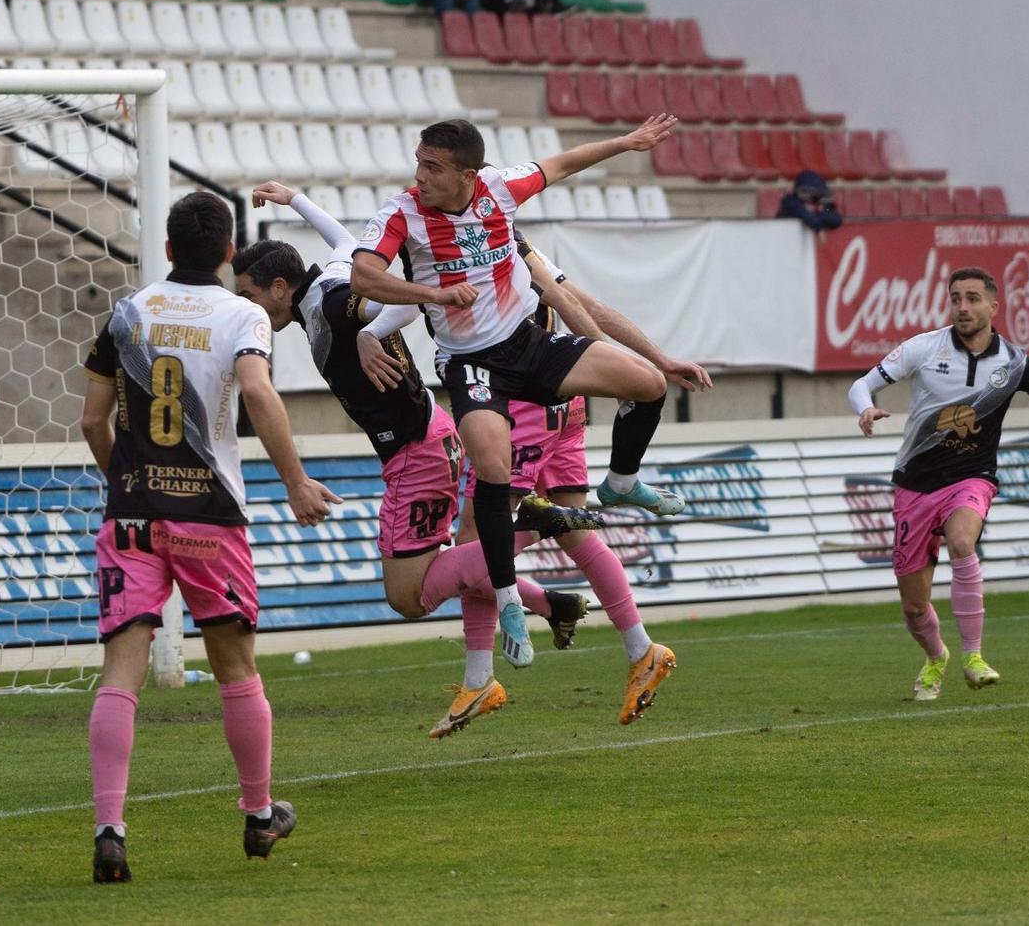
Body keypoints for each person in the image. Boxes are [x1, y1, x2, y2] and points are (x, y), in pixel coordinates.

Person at [234, 184, 606, 738]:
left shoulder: (334, 304)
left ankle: (531, 523)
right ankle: (547, 610)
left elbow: (392, 300)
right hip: (427, 438)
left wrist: (387, 322)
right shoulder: (333, 275)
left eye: (247, 293)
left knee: (408, 596)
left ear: (281, 287)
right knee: (457, 561)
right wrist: (296, 201)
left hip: (417, 451)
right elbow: (341, 238)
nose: (244, 305)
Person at [349, 116, 679, 667]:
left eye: (432, 166)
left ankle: (621, 482)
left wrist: (627, 142)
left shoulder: (501, 187)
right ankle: (506, 598)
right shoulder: (401, 211)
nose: (419, 174)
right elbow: (363, 277)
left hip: (529, 345)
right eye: (418, 162)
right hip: (472, 363)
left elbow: (565, 163)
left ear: (467, 174)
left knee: (649, 383)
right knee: (491, 466)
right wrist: (430, 292)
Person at [80, 192, 339, 884]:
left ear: (167, 249)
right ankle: (258, 815)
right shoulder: (242, 313)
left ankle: (110, 829)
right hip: (208, 516)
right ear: (229, 252)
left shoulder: (129, 311)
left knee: (120, 674)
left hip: (131, 514)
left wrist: (128, 482)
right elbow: (256, 391)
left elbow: (91, 420)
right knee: (235, 666)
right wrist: (294, 481)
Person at [408, 232, 707, 726]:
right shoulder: (523, 249)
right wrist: (651, 361)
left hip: (519, 407)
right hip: (567, 406)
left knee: (477, 540)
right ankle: (641, 650)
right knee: (579, 536)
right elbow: (586, 305)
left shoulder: (478, 251)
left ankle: (480, 679)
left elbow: (568, 309)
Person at [849, 267, 1029, 700]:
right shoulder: (923, 347)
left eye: (972, 298)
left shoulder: (1014, 362)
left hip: (973, 477)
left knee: (962, 543)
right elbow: (863, 384)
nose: (962, 307)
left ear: (993, 306)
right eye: (956, 298)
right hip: (914, 483)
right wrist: (864, 408)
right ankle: (937, 656)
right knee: (915, 608)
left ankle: (974, 655)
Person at [777, 169, 842, 230]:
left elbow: (835, 219)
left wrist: (821, 211)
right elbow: (812, 221)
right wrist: (816, 213)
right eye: (805, 192)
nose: (809, 197)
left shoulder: (822, 205)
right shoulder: (792, 203)